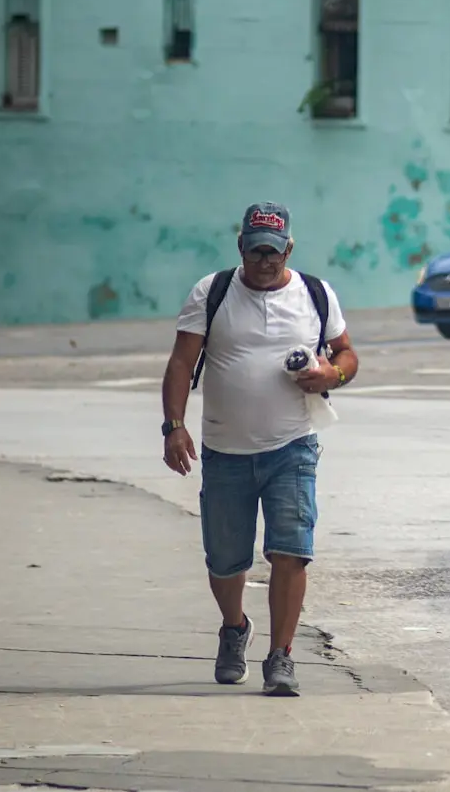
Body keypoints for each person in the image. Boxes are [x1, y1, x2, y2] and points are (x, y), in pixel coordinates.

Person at [160, 202, 359, 697]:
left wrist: (329, 375)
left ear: (288, 248)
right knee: (226, 560)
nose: (264, 261)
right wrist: (174, 427)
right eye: (255, 251)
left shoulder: (315, 293)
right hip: (225, 449)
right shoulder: (213, 291)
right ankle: (234, 628)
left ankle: (282, 656)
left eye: (273, 251)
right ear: (241, 248)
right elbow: (182, 362)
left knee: (290, 551)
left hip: (292, 446)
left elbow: (348, 355)